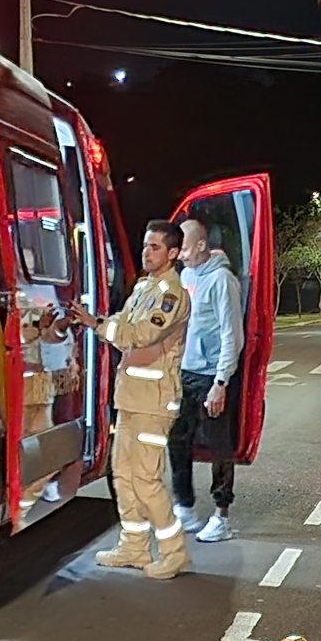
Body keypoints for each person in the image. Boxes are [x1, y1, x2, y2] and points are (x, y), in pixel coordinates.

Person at [67, 220, 192, 579]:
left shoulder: (172, 295)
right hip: (131, 398)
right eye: (145, 245)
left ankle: (173, 551)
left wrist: (97, 325)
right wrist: (104, 325)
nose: (146, 252)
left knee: (146, 479)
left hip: (155, 402)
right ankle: (134, 546)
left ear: (172, 253)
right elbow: (122, 326)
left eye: (154, 247)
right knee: (122, 474)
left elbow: (142, 334)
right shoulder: (143, 288)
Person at [168, 218, 245, 542]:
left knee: (219, 447)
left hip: (213, 376)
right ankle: (184, 505)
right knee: (177, 439)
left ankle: (221, 515)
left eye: (184, 248)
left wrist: (221, 382)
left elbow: (232, 336)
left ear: (201, 245)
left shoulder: (222, 280)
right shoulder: (185, 276)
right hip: (186, 372)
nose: (180, 256)